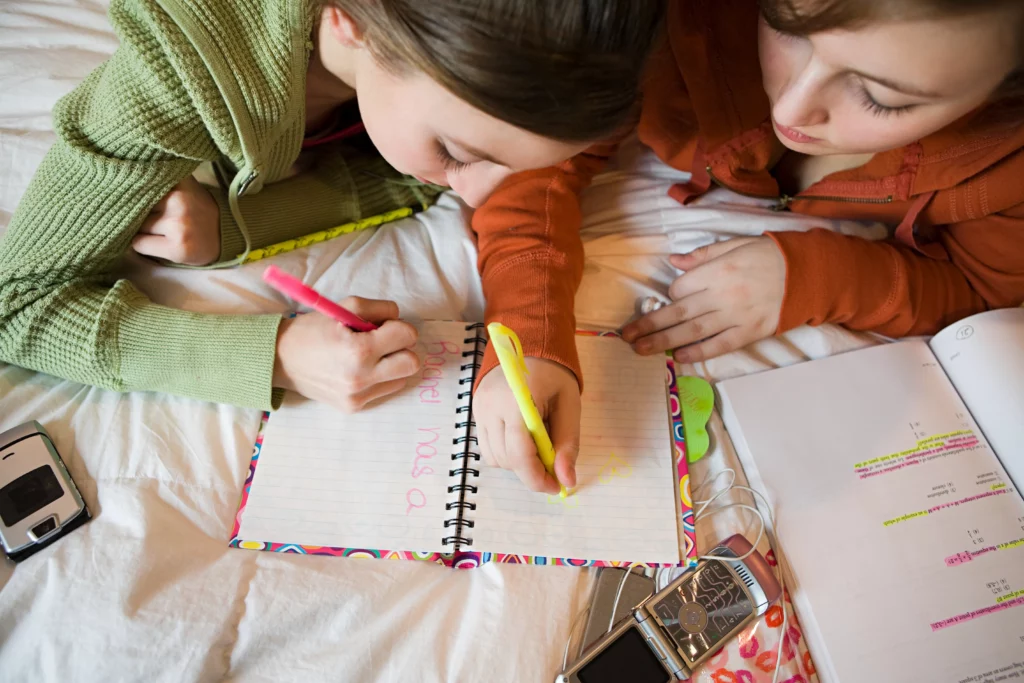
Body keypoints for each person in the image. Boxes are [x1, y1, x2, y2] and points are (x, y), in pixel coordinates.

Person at [0, 1, 665, 417]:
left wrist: (237, 226)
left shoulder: (439, 65)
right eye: (456, 153)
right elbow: (17, 306)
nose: (472, 196)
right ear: (350, 18)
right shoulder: (176, 75)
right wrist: (275, 355)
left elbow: (406, 183)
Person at [474, 0, 1024, 493]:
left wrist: (821, 276)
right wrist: (529, 333)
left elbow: (983, 291)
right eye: (787, 26)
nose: (792, 109)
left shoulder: (1009, 163)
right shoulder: (674, 21)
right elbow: (536, 158)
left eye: (881, 98)